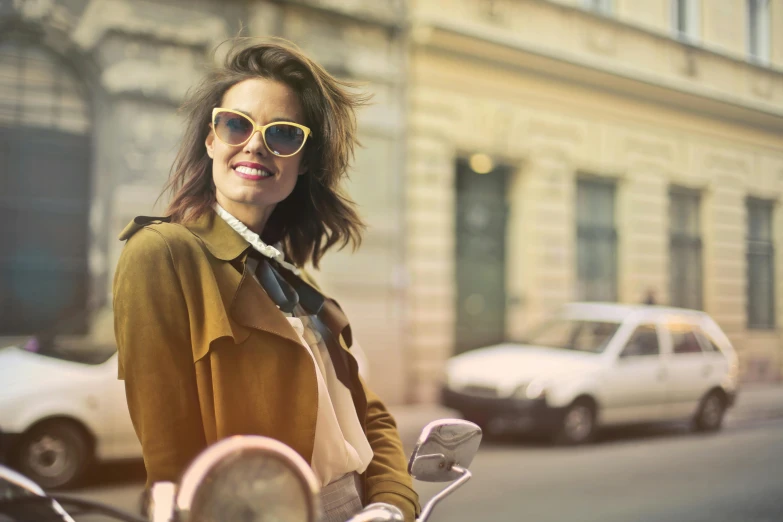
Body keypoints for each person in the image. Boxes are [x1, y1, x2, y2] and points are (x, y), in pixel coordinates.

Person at [113, 39, 419, 522]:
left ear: (303, 161)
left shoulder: (291, 273)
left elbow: (366, 412)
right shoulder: (162, 253)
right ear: (211, 139)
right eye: (236, 124)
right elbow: (170, 464)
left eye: (282, 134)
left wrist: (392, 503)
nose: (254, 143)